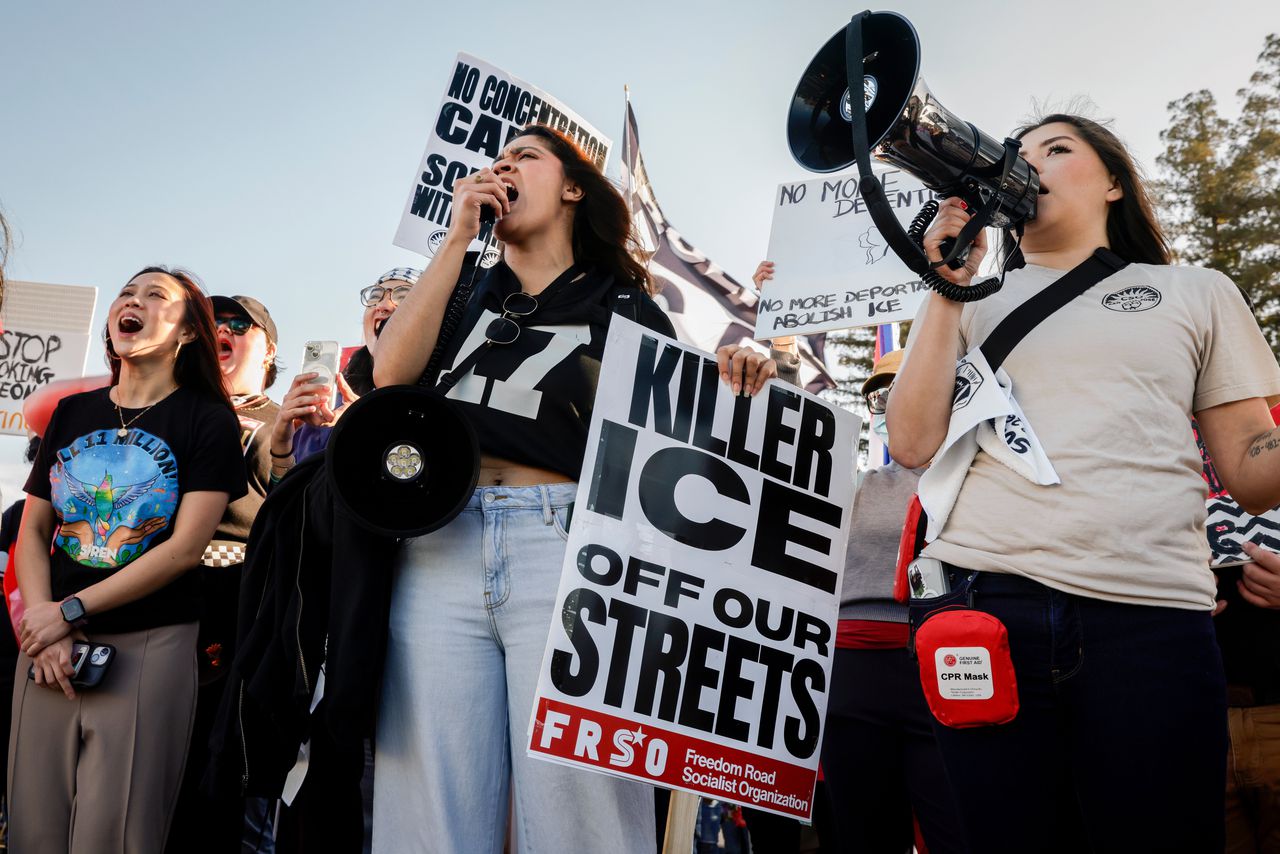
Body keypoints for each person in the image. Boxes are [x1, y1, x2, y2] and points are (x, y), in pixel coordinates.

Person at [887, 114, 1280, 851]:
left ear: (1112, 184)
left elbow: (1253, 474)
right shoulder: (967, 299)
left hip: (1150, 617)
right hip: (987, 605)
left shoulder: (1194, 292)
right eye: (1018, 153)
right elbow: (910, 443)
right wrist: (944, 287)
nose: (1029, 164)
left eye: (1057, 149)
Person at [372, 125, 684, 853]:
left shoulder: (629, 306)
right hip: (440, 545)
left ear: (573, 187)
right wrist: (456, 241)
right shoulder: (461, 288)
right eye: (496, 161)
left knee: (582, 810)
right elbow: (391, 374)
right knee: (431, 806)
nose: (502, 168)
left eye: (525, 159)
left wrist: (745, 378)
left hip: (568, 545)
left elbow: (681, 439)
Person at [8, 266, 247, 852]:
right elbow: (35, 531)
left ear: (189, 332)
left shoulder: (208, 419)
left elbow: (184, 547)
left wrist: (68, 611)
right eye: (126, 292)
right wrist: (46, 626)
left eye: (155, 296)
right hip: (48, 646)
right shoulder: (72, 413)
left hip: (149, 642)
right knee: (33, 829)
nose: (131, 302)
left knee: (113, 834)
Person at [167, 294, 282, 853]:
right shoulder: (170, 411)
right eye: (212, 324)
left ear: (268, 350)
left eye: (240, 324)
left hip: (231, 610)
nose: (223, 330)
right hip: (152, 604)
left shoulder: (281, 424)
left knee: (213, 781)